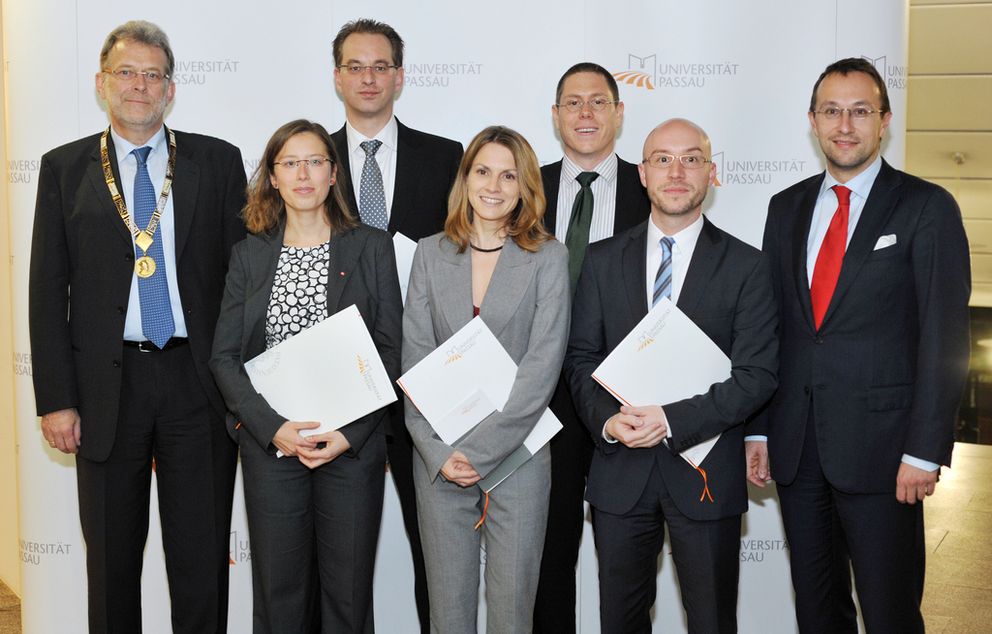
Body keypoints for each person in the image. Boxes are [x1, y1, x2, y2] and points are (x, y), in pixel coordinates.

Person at [28, 20, 246, 632]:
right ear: (102, 83)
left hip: (197, 385)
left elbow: (241, 283)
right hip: (103, 392)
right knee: (111, 562)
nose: (140, 86)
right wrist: (57, 399)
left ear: (171, 90)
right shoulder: (63, 168)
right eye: (127, 73)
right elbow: (46, 290)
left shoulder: (218, 161)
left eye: (153, 75)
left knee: (202, 559)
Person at [747, 58, 971, 633]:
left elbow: (944, 338)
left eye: (860, 111)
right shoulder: (785, 207)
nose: (845, 125)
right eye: (832, 111)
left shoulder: (926, 207)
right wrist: (760, 427)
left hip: (885, 453)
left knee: (890, 611)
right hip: (798, 450)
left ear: (884, 121)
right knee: (818, 611)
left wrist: (924, 450)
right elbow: (774, 327)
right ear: (813, 121)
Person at [565, 118, 778, 633]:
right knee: (619, 621)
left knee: (711, 622)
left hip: (705, 475)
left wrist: (670, 420)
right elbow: (579, 359)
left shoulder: (748, 266)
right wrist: (608, 423)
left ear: (711, 173)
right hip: (620, 477)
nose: (677, 171)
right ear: (642, 173)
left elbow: (757, 375)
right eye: (663, 159)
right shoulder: (599, 260)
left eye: (691, 159)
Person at [210, 119, 402, 633]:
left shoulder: (371, 246)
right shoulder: (249, 255)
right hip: (273, 448)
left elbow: (389, 349)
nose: (303, 174)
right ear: (272, 177)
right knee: (280, 598)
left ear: (334, 173)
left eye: (315, 161)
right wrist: (271, 428)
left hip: (350, 448)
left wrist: (350, 434)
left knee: (348, 596)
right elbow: (224, 358)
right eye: (289, 163)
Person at [402, 126, 569, 632]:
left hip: (518, 457)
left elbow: (543, 367)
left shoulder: (549, 257)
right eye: (482, 171)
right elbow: (415, 361)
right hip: (441, 460)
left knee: (512, 612)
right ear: (465, 178)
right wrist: (436, 450)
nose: (493, 186)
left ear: (525, 188)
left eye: (508, 175)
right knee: (447, 615)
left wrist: (481, 451)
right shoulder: (429, 254)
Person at [330, 20, 463, 628]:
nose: (367, 77)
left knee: (437, 555)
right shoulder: (309, 159)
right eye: (355, 66)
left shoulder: (446, 158)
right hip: (339, 383)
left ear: (400, 77)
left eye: (380, 66)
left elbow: (463, 263)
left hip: (425, 379)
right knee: (336, 563)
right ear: (337, 77)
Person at [534, 61, 650, 632]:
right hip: (541, 400)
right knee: (547, 558)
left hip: (626, 401)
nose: (585, 113)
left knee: (625, 564)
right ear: (555, 116)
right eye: (573, 103)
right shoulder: (521, 189)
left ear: (619, 114)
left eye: (598, 102)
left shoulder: (651, 187)